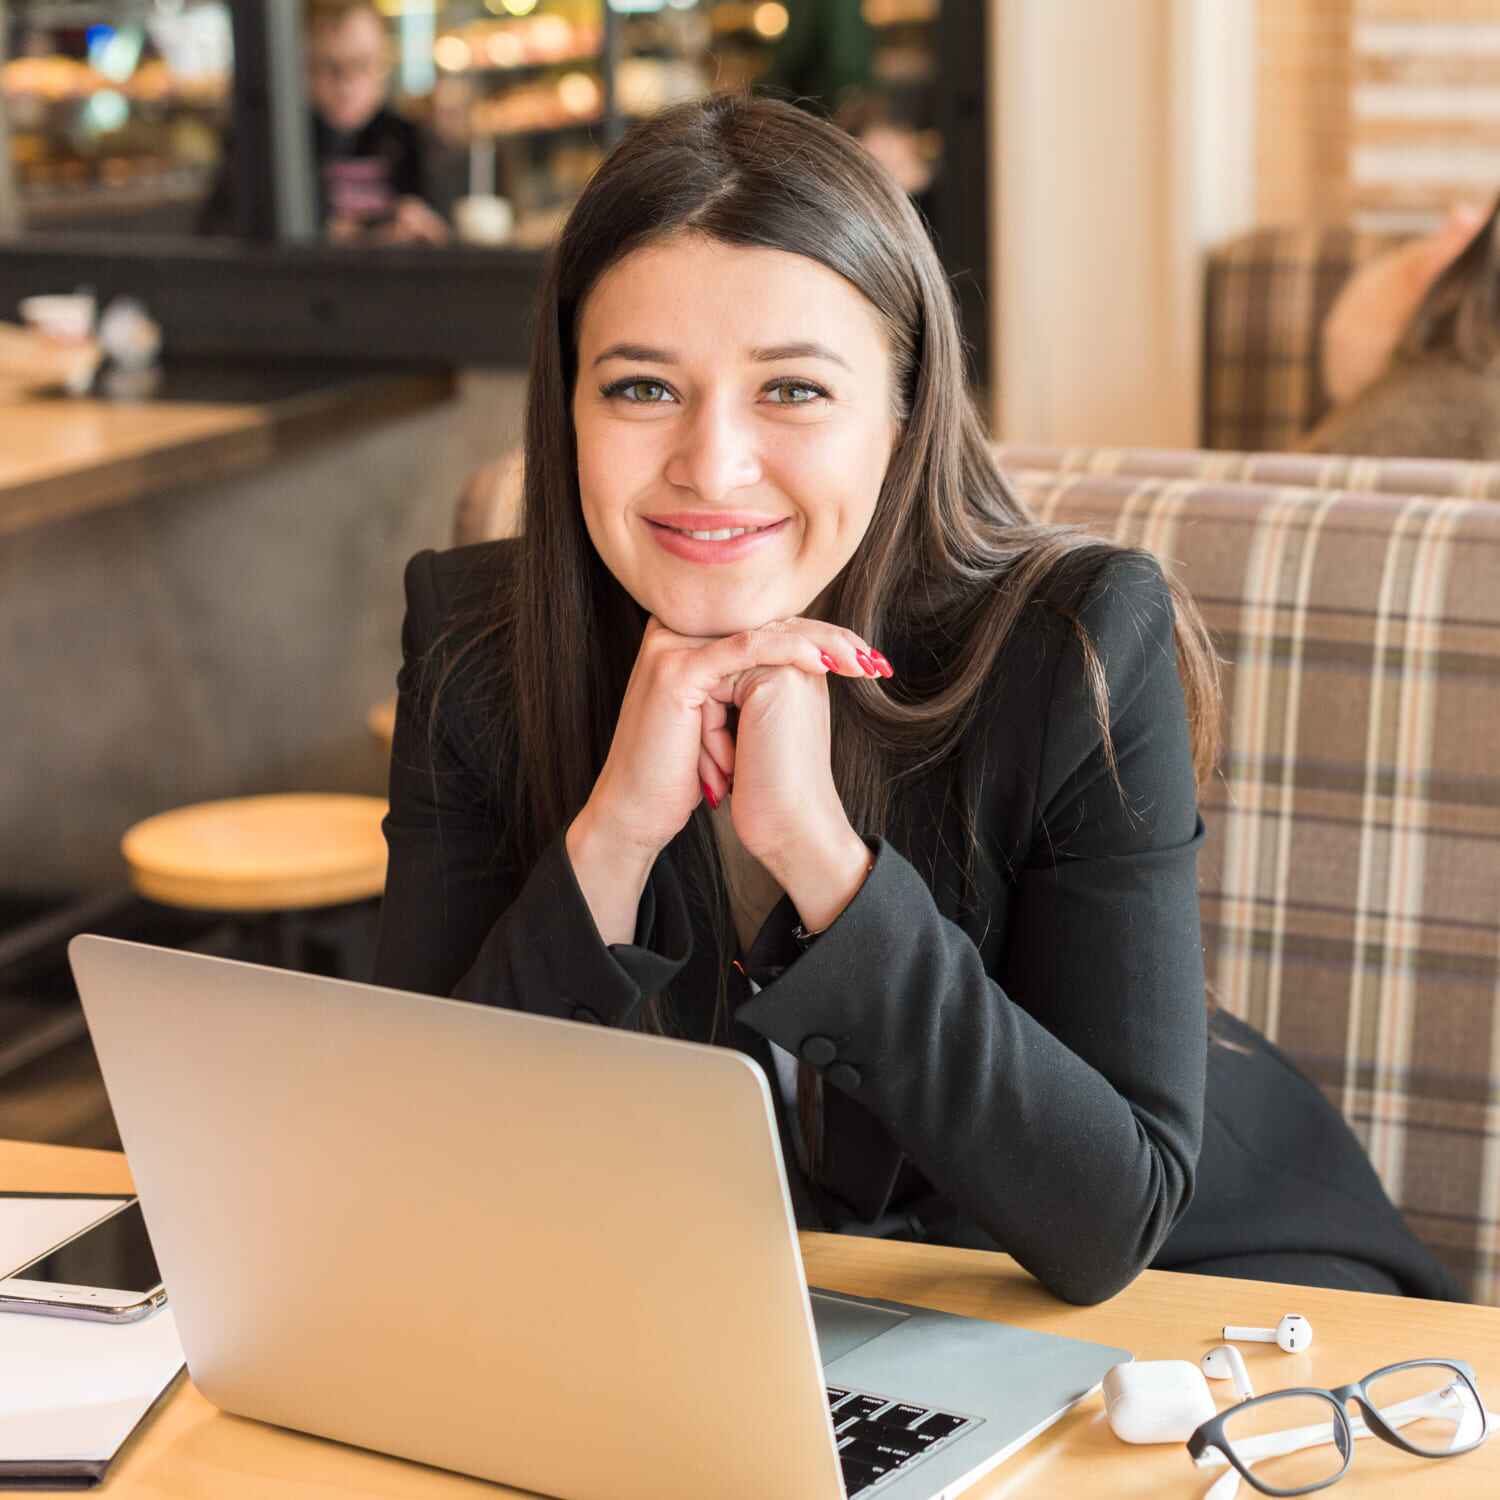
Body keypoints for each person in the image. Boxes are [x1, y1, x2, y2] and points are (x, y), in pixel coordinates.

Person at [374, 94, 1460, 1306]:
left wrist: (820, 859)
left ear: (902, 411)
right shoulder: (474, 647)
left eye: (792, 391)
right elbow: (426, 1171)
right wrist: (613, 837)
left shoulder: (1073, 642)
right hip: (793, 1328)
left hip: (1215, 1291)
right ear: (566, 406)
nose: (711, 463)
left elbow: (1111, 1222)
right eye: (640, 389)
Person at [199, 0, 447, 245]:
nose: (346, 84)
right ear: (299, 67)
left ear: (384, 63)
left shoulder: (412, 139)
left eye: (362, 64)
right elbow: (217, 233)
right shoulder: (266, 142)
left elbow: (448, 230)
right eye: (327, 66)